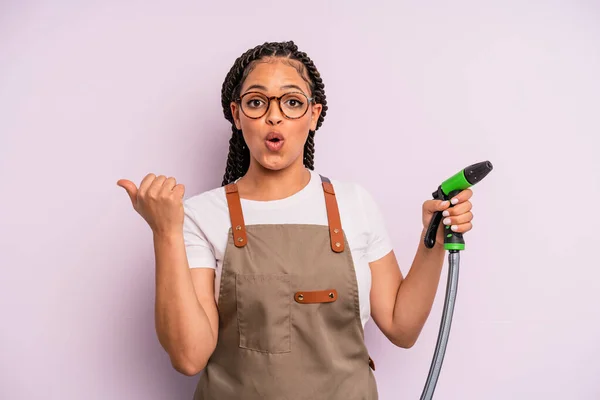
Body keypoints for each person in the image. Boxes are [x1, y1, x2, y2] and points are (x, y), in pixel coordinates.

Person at [117, 40, 474, 399]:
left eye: (292, 102)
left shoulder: (355, 204)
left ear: (314, 115)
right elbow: (188, 356)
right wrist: (165, 232)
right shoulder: (200, 215)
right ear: (237, 115)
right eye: (257, 102)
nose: (274, 116)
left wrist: (436, 240)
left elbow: (402, 326)